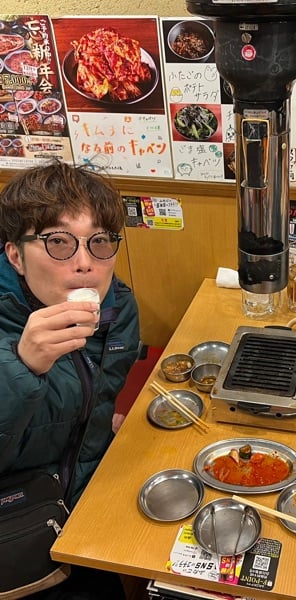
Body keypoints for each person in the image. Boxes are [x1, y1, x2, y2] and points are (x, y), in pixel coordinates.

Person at [0, 160, 140, 598]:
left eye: (100, 242)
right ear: (16, 256)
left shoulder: (117, 309)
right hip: (17, 529)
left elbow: (98, 398)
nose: (85, 264)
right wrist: (22, 368)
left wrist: (100, 423)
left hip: (87, 508)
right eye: (58, 242)